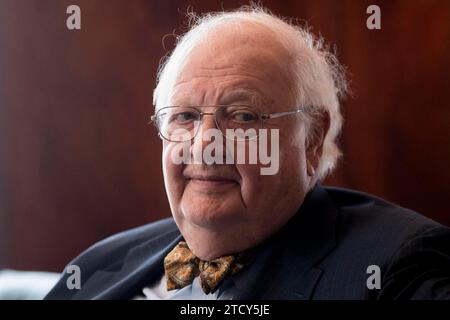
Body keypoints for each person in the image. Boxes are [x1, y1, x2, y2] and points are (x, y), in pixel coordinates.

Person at [45, 6, 450, 300]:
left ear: (310, 138)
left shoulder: (397, 268)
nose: (205, 142)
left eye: (242, 116)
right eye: (185, 116)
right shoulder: (100, 263)